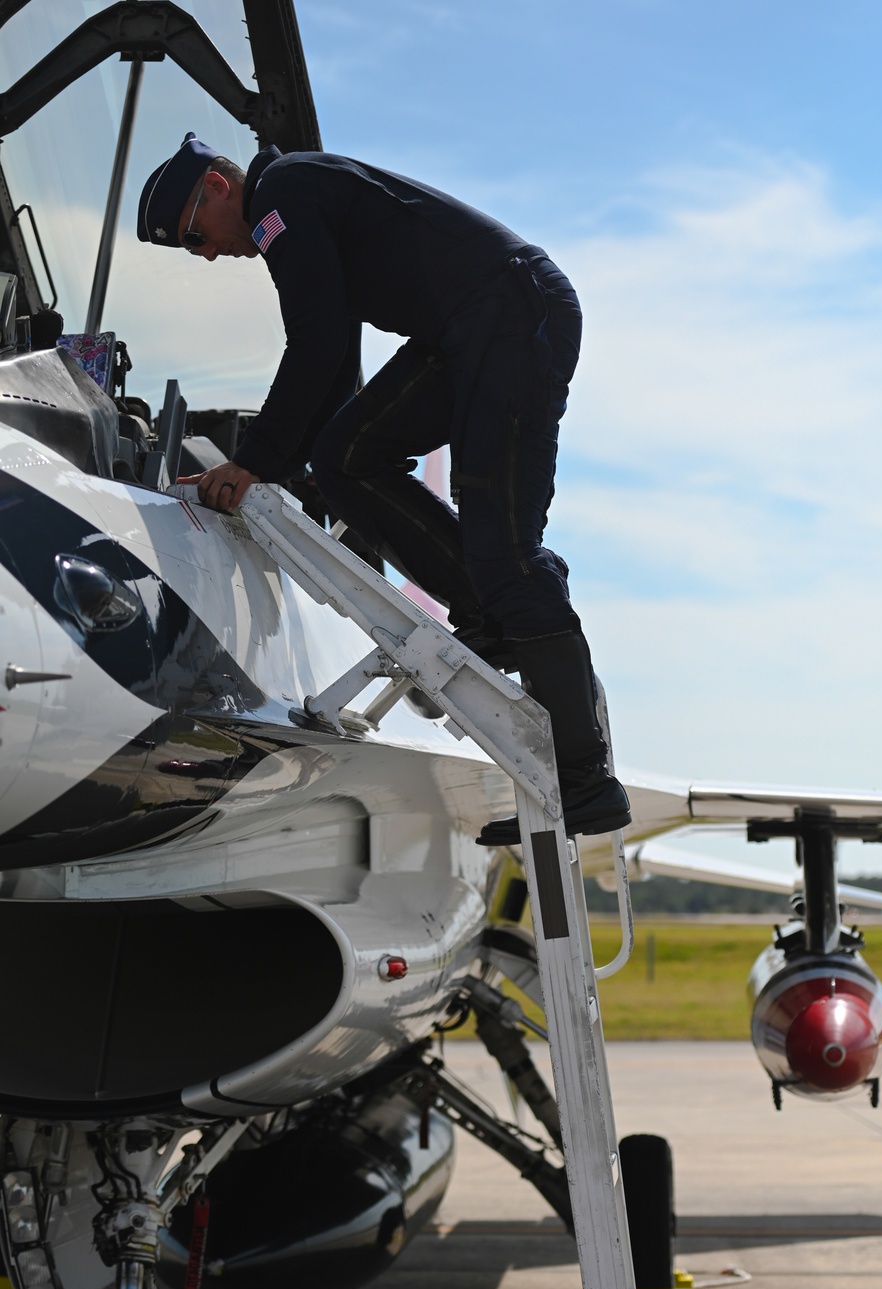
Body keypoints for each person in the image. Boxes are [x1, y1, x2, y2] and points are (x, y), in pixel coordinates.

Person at [137, 132, 630, 844]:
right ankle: (487, 610)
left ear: (218, 186)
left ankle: (585, 781)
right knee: (349, 454)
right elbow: (332, 356)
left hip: (511, 317)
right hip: (465, 330)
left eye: (194, 236)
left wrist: (256, 459)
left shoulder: (281, 200)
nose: (208, 254)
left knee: (508, 554)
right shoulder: (294, 200)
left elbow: (317, 340)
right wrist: (291, 466)